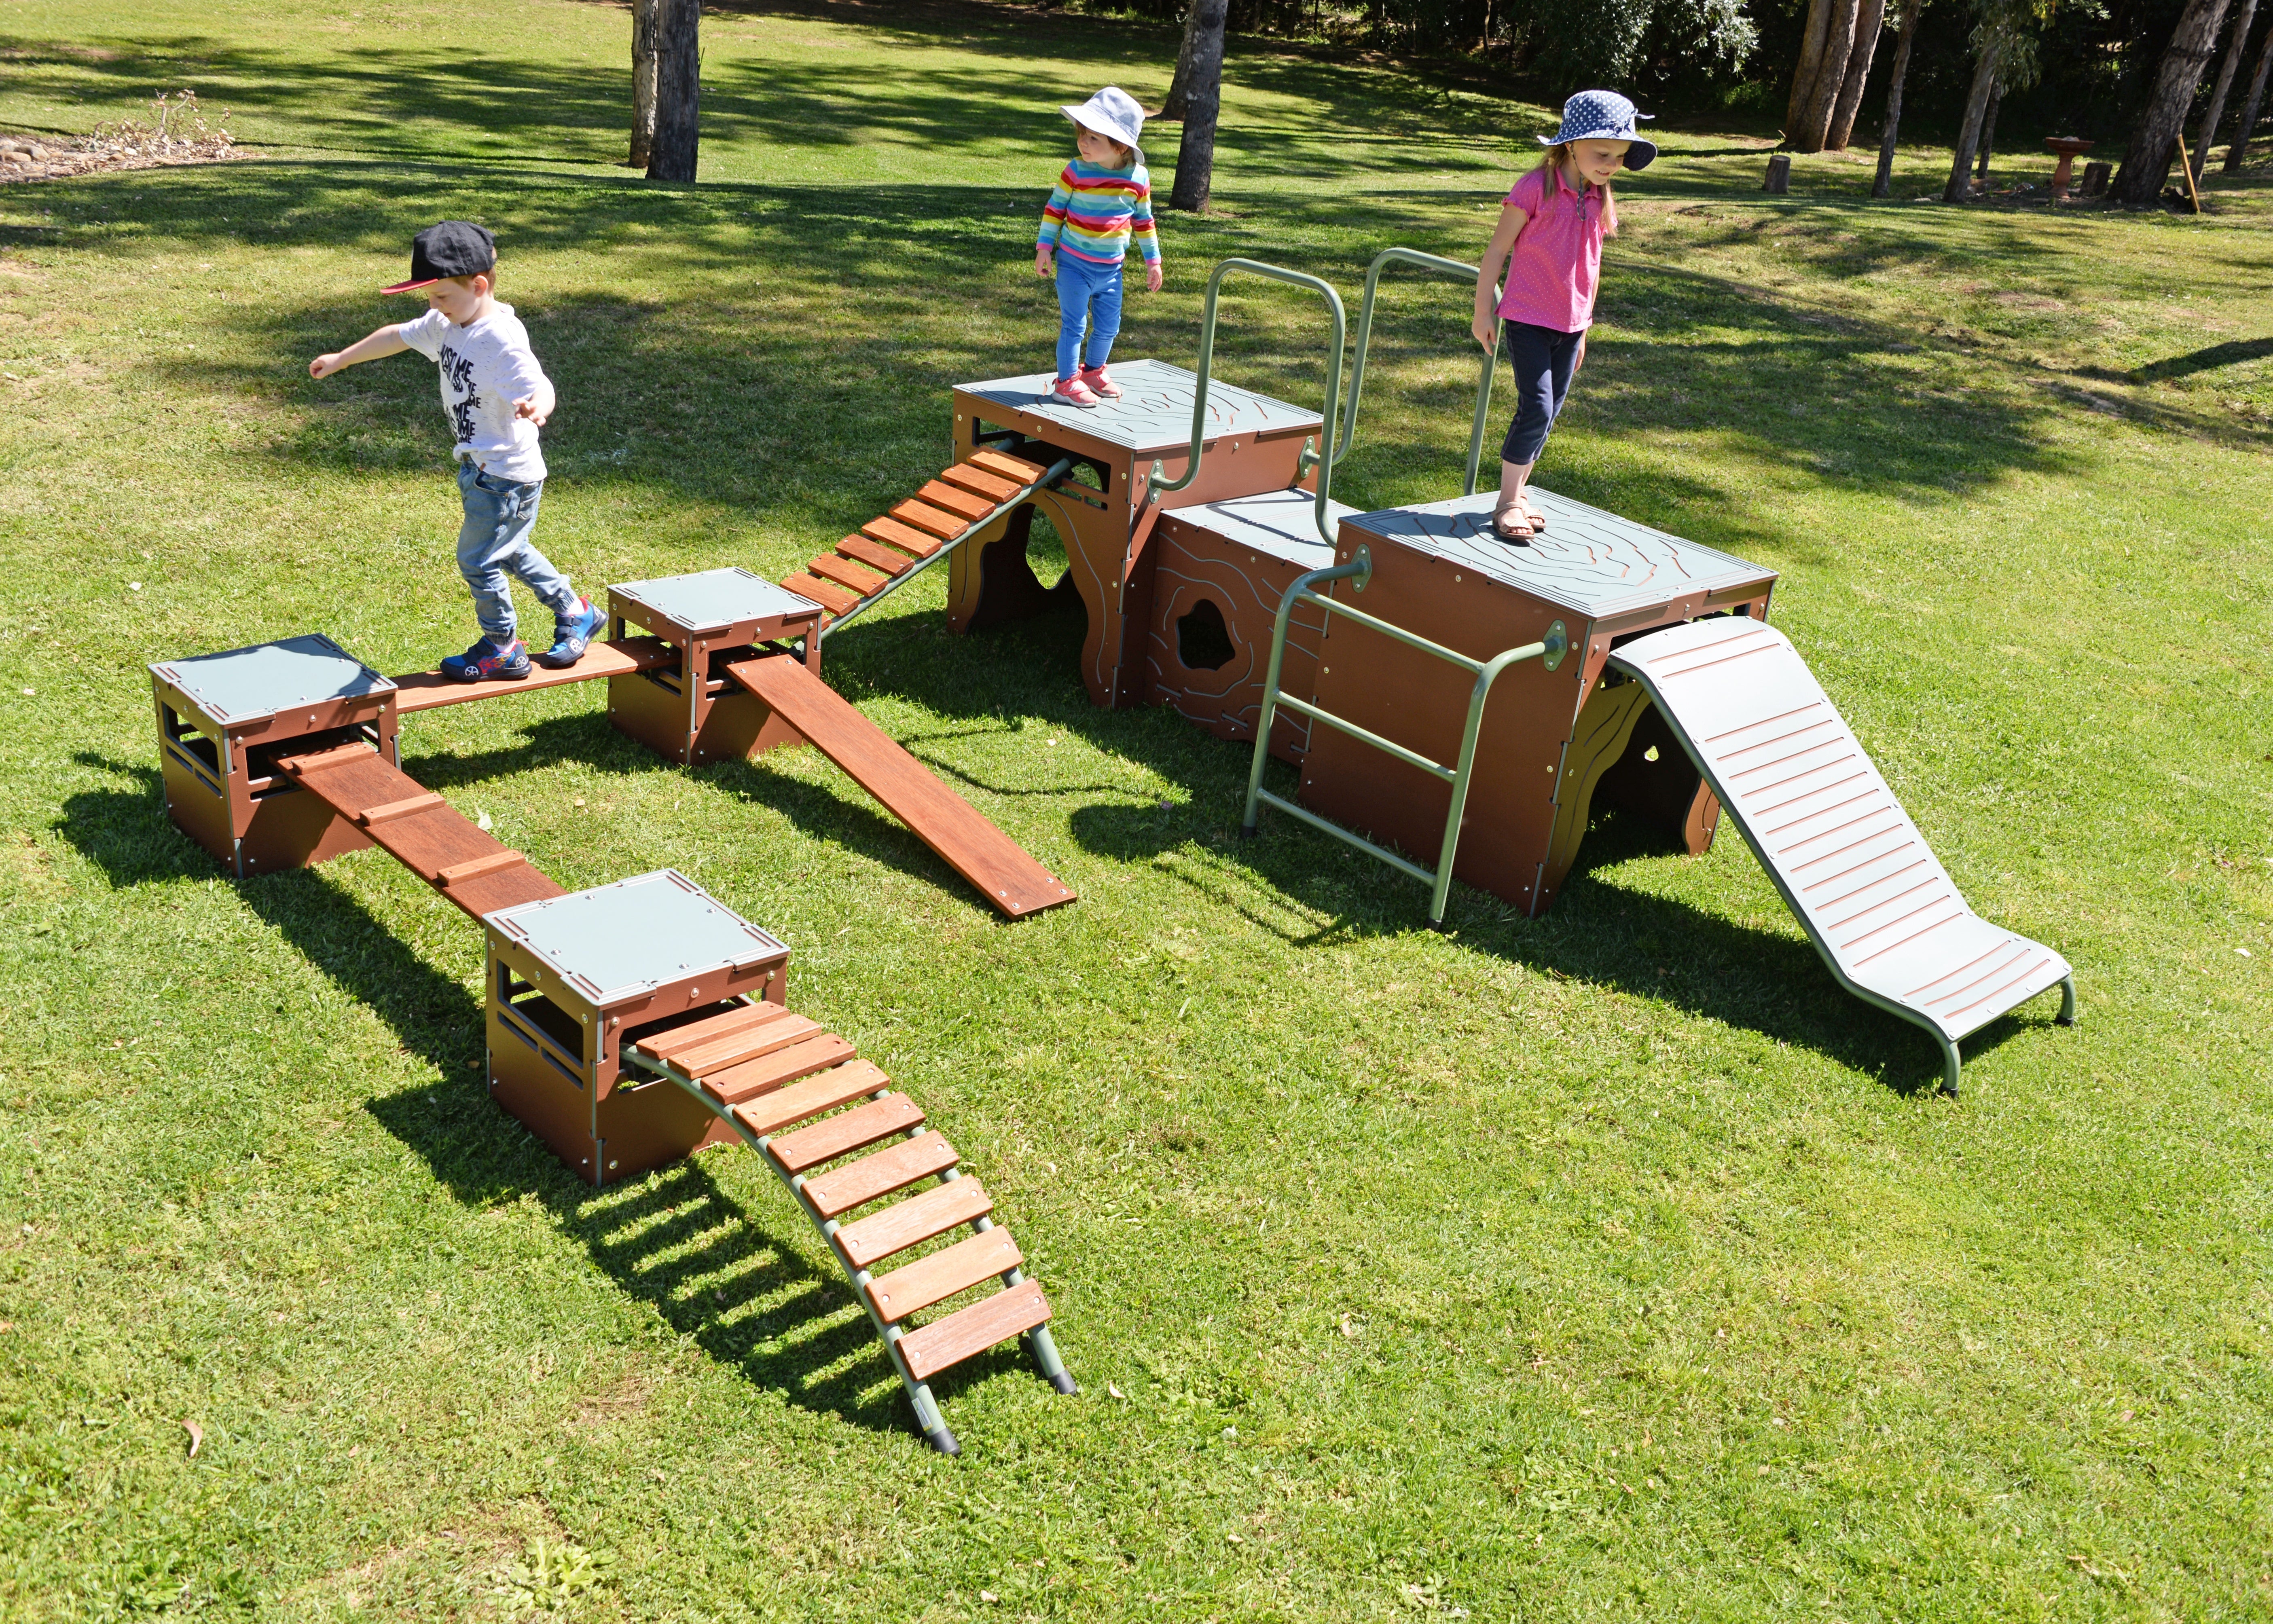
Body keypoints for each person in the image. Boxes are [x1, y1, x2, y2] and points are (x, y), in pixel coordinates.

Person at [308, 221, 604, 680]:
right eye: (430, 297)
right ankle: (576, 611)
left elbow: (539, 383)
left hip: (506, 474)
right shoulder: (449, 322)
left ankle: (502, 646)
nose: (434, 306)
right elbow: (397, 335)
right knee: (509, 550)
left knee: (478, 559)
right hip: (480, 469)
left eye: (441, 296)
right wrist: (342, 359)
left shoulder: (500, 339)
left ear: (478, 286)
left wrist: (537, 406)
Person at [1471, 91, 1656, 544]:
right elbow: (1496, 250)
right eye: (1603, 153)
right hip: (1529, 318)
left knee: (1550, 412)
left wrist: (1586, 326)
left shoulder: (1598, 195)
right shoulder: (1535, 188)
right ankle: (1507, 502)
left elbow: (1594, 263)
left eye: (1620, 156)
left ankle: (1518, 493)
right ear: (1571, 144)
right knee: (1535, 407)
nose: (1612, 165)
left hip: (1572, 325)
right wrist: (1482, 310)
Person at [1034, 86, 1164, 409]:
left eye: (1094, 138)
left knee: (1109, 327)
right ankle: (1066, 383)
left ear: (1120, 145)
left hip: (1111, 271)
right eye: (1082, 134)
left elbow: (1144, 222)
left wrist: (1153, 262)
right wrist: (1044, 248)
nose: (1083, 142)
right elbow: (1055, 209)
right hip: (1074, 265)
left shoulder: (1138, 178)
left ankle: (1093, 372)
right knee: (1075, 325)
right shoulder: (1076, 171)